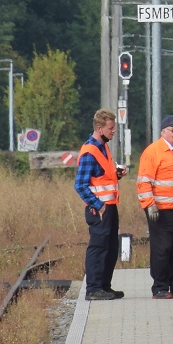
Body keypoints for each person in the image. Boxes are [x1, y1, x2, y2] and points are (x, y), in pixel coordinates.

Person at [136, 114, 173, 299]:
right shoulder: (153, 152)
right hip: (160, 211)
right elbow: (144, 182)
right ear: (163, 132)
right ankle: (160, 288)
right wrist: (149, 205)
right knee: (162, 250)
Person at [75, 108, 128, 301]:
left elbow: (101, 178)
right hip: (99, 210)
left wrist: (117, 175)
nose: (113, 131)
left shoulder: (103, 147)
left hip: (110, 207)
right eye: (111, 128)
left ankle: (104, 286)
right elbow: (80, 185)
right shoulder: (90, 151)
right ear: (99, 128)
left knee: (110, 248)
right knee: (98, 248)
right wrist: (98, 205)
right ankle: (93, 288)